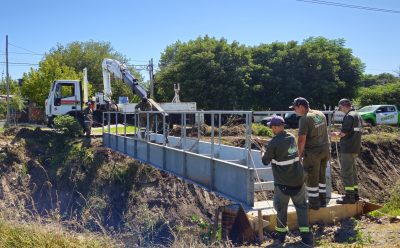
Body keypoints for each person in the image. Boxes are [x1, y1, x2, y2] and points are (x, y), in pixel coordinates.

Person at [261, 116, 313, 246]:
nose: (271, 128)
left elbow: (265, 161)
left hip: (283, 184)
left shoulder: (274, 142)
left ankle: (281, 237)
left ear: (277, 126)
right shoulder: (291, 137)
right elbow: (282, 147)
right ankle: (306, 238)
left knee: (281, 209)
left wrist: (263, 152)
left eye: (272, 126)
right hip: (299, 181)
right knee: (301, 208)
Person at [290, 97, 330, 210]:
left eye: (295, 108)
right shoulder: (320, 114)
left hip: (313, 153)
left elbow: (301, 140)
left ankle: (313, 203)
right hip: (325, 149)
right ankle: (323, 200)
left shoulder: (304, 119)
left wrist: (298, 155)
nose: (294, 110)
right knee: (321, 176)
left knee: (312, 177)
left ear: (301, 107)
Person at [331, 98, 362, 204]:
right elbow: (353, 131)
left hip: (348, 148)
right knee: (352, 172)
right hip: (355, 147)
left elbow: (344, 133)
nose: (340, 110)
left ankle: (349, 197)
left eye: (340, 107)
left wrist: (335, 134)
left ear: (343, 106)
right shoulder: (357, 115)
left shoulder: (349, 116)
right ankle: (355, 194)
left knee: (346, 172)